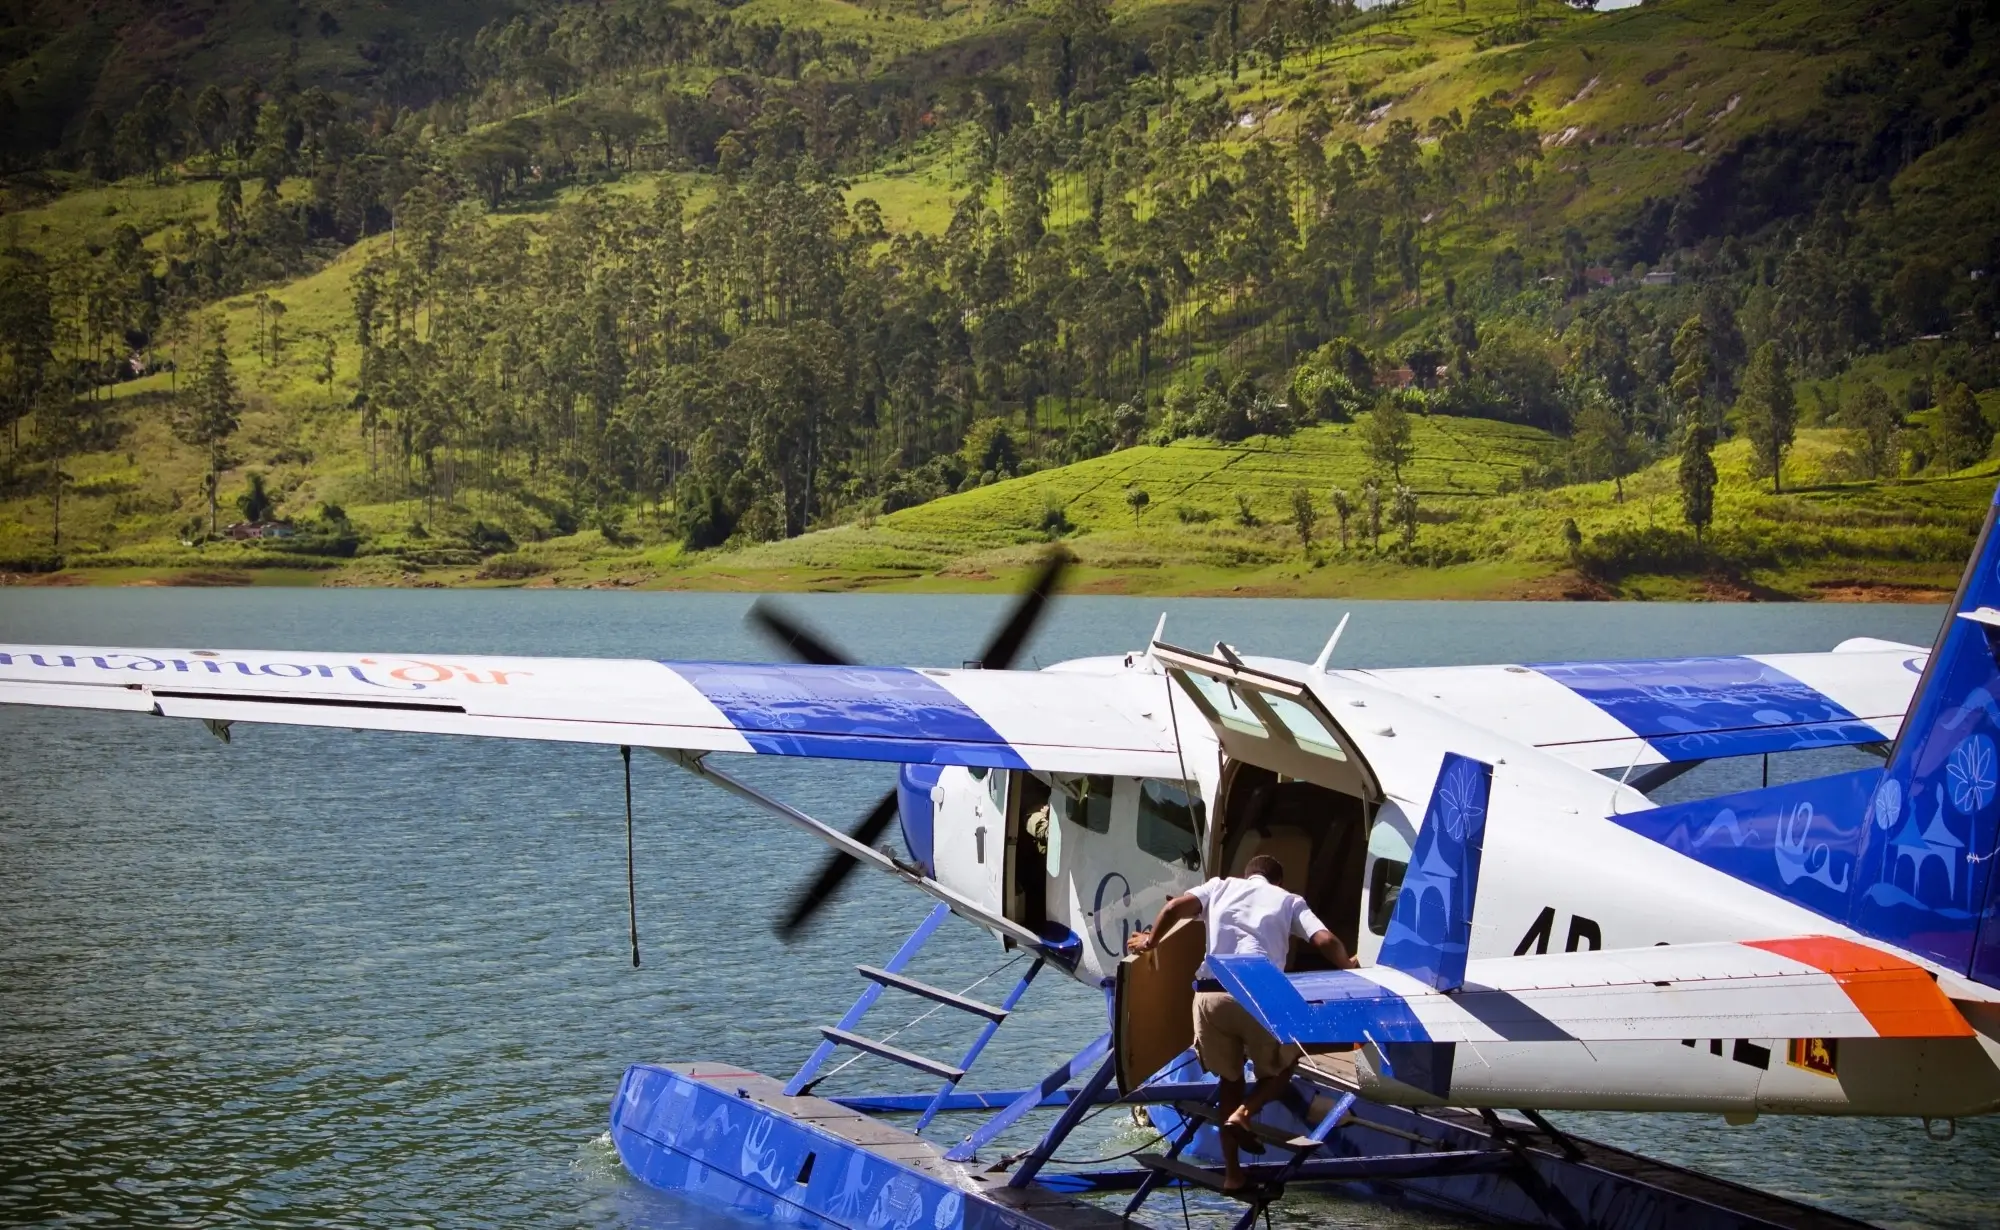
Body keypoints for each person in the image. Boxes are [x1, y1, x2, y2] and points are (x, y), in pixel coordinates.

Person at [1126, 854, 1357, 1191]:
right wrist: (1348, 964)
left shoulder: (1219, 887)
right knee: (1284, 1064)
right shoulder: (1289, 900)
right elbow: (1324, 941)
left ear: (1247, 875)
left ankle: (1233, 1175)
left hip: (1209, 995)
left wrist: (1150, 941)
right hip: (1258, 994)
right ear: (1277, 881)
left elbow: (1174, 908)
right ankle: (1246, 1114)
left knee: (1229, 1080)